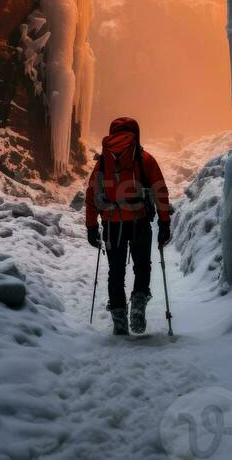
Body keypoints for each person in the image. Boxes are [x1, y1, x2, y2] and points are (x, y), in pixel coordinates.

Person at [85, 116, 171, 336]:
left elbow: (92, 194)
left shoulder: (103, 161)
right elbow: (160, 191)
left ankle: (119, 319)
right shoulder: (144, 158)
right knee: (142, 266)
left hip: (113, 225)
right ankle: (139, 305)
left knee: (116, 272)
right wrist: (164, 222)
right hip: (139, 221)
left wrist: (91, 226)